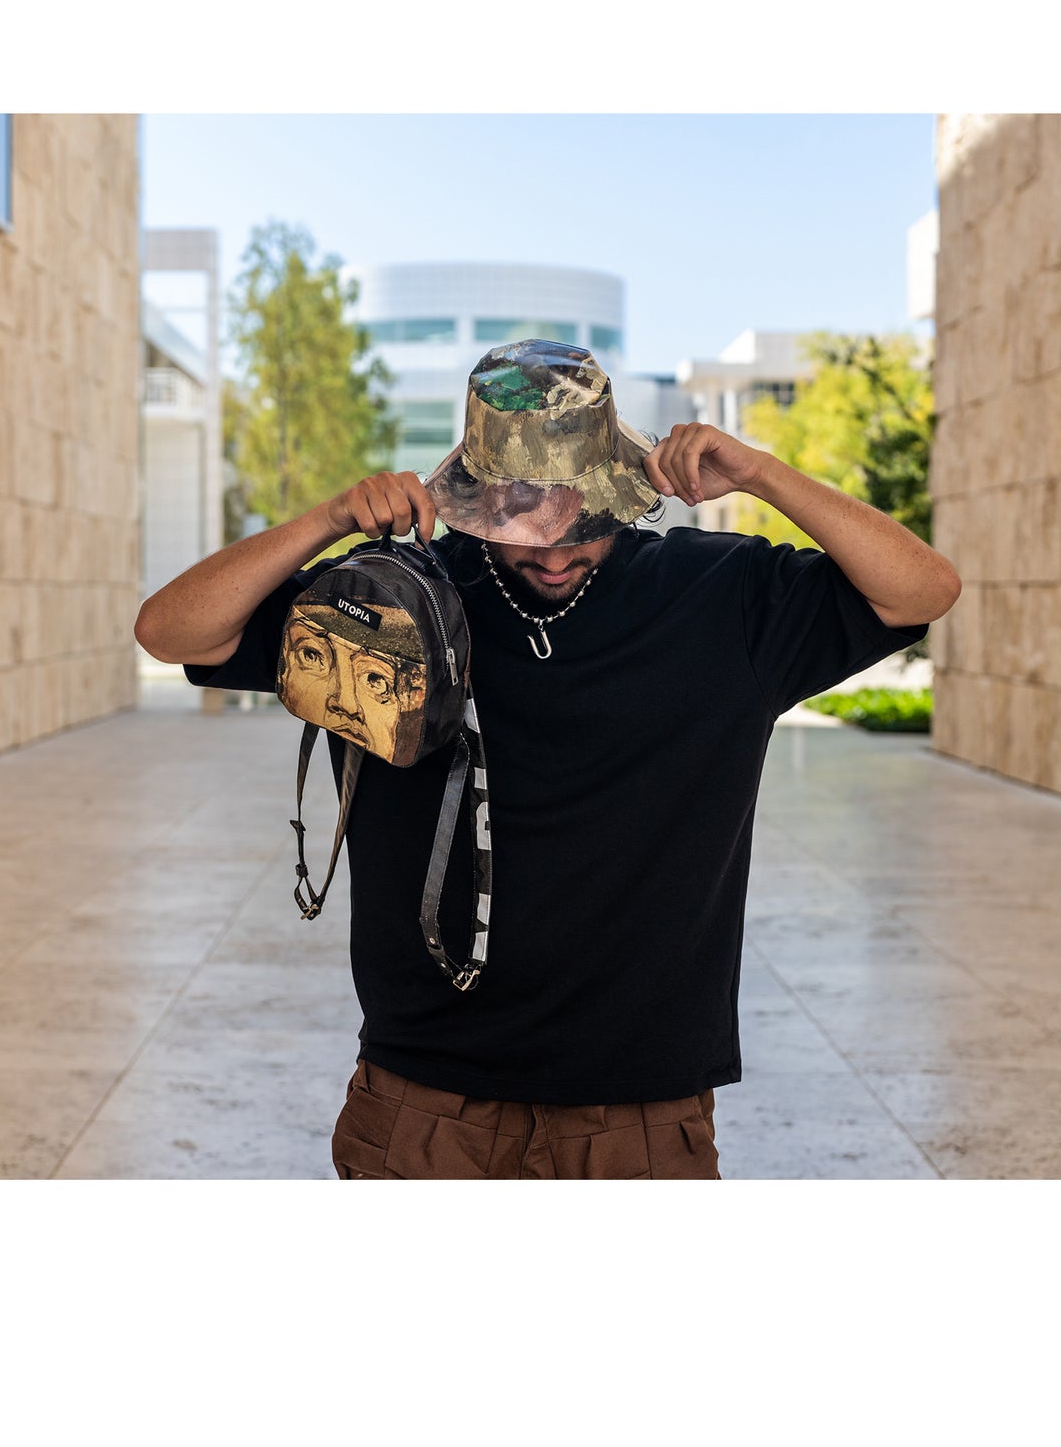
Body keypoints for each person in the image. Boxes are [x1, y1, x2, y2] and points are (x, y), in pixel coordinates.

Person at [134, 340, 961, 1180]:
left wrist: (763, 476)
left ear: (618, 491)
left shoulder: (722, 597)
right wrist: (327, 523)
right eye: (521, 523)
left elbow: (922, 591)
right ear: (473, 496)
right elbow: (172, 632)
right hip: (425, 1096)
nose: (557, 551)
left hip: (639, 1109)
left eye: (583, 519)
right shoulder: (394, 596)